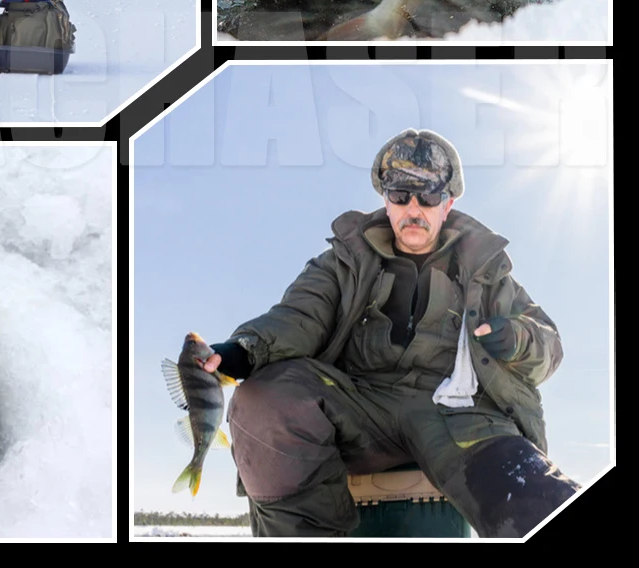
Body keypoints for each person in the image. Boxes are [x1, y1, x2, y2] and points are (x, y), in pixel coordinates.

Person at [200, 128, 580, 538]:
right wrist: (246, 349)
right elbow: (298, 316)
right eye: (400, 194)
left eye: (428, 195)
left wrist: (516, 338)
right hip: (359, 407)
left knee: (536, 496)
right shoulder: (343, 263)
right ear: (385, 198)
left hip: (459, 419)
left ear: (448, 202)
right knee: (262, 399)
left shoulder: (487, 272)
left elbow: (549, 346)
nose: (413, 208)